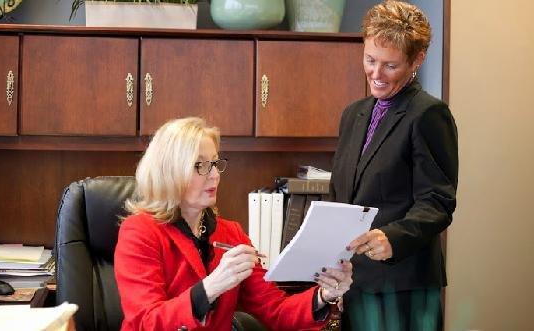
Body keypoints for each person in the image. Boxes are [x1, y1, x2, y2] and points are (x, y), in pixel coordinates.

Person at [114, 117, 353, 331]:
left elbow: (276, 310)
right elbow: (146, 322)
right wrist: (211, 287)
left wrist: (324, 294)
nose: (215, 175)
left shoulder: (231, 233)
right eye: (201, 165)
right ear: (169, 172)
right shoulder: (139, 232)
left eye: (216, 164)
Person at [329, 1, 458, 330]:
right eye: (370, 60)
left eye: (390, 65)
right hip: (355, 284)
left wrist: (393, 237)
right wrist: (334, 270)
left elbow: (437, 202)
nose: (376, 74)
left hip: (404, 289)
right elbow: (341, 199)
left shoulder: (428, 114)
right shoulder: (352, 115)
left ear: (417, 60)